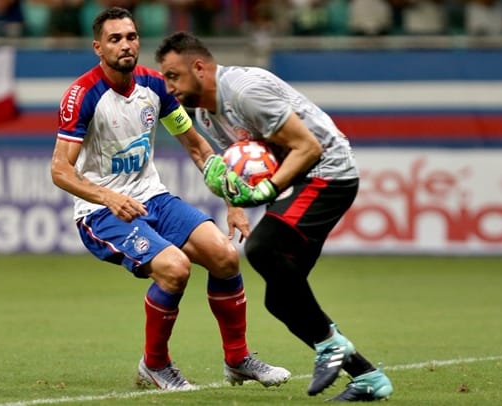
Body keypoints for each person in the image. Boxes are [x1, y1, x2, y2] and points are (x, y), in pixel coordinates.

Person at [50, 7, 290, 391]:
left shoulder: (154, 86)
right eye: (115, 39)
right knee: (175, 269)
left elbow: (197, 147)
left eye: (131, 37)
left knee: (225, 256)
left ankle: (238, 359)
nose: (125, 45)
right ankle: (155, 365)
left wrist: (231, 201)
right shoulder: (83, 96)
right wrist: (108, 197)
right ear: (98, 47)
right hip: (101, 212)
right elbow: (60, 170)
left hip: (153, 198)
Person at [154, 32, 394, 401]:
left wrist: (267, 189)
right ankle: (367, 378)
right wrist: (234, 204)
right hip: (296, 181)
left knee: (263, 248)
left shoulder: (244, 92)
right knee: (281, 299)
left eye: (173, 76)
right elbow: (237, 164)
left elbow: (309, 146)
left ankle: (330, 346)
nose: (169, 87)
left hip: (327, 173)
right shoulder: (205, 113)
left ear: (199, 67)